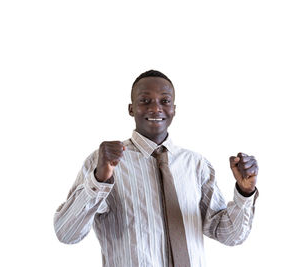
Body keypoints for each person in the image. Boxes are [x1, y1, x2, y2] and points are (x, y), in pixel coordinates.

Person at [54, 70, 259, 267]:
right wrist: (99, 180)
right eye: (145, 101)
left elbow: (228, 234)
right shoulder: (105, 162)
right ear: (131, 108)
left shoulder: (196, 165)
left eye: (165, 101)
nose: (156, 108)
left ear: (174, 109)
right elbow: (67, 233)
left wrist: (245, 192)